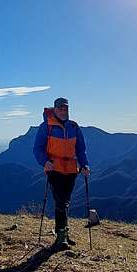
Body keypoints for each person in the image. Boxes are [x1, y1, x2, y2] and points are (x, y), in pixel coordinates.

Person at [33, 97, 90, 248]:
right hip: (54, 168)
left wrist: (84, 164)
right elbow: (37, 148)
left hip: (71, 169)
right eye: (60, 108)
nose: (64, 111)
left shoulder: (74, 126)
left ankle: (64, 232)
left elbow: (80, 148)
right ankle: (61, 235)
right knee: (61, 201)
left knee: (65, 201)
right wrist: (45, 162)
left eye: (66, 108)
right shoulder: (46, 127)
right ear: (55, 109)